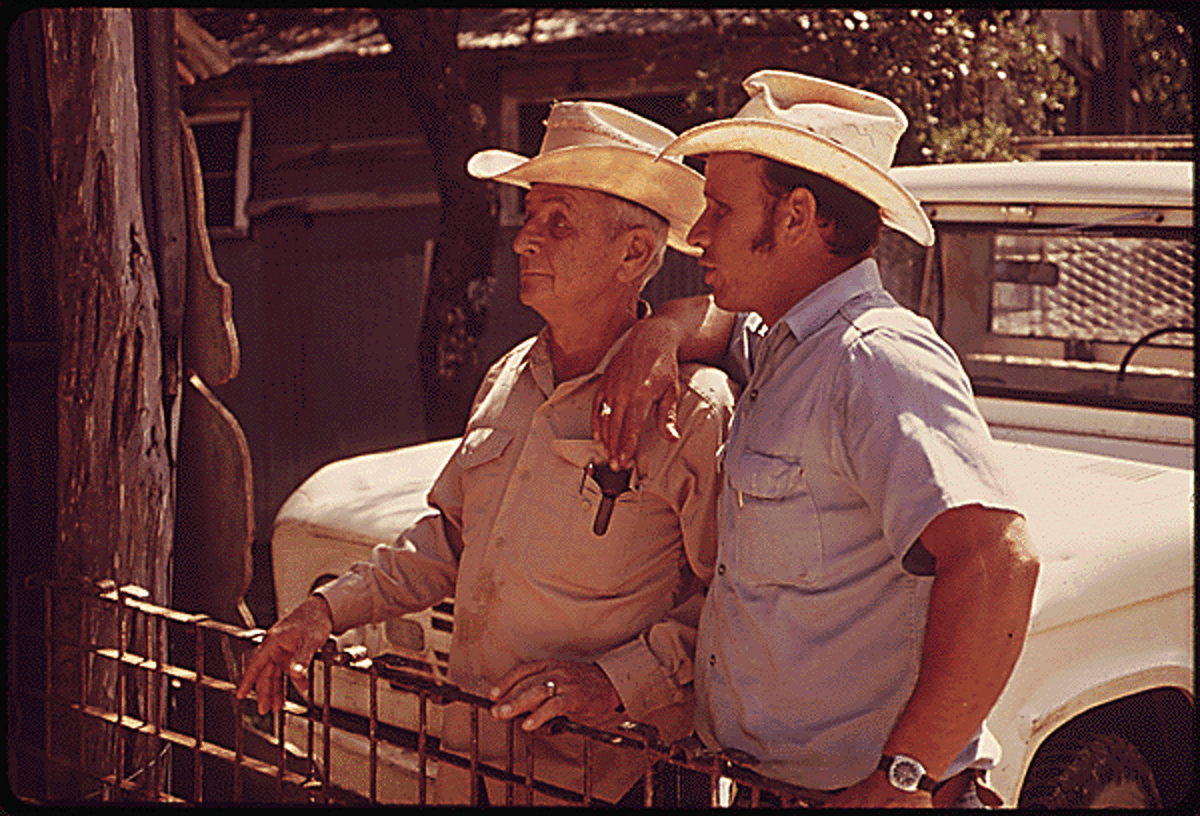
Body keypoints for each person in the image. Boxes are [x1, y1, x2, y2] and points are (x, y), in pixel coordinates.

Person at [235, 100, 736, 805]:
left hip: (614, 779)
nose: (524, 240)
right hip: (473, 763)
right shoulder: (510, 377)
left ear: (635, 254)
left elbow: (732, 603)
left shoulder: (693, 408)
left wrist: (616, 684)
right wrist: (325, 609)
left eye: (557, 222)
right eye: (530, 216)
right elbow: (449, 536)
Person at [589, 70, 1041, 808]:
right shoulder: (785, 340)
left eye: (722, 209)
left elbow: (998, 562)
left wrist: (905, 776)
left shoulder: (876, 358)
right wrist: (659, 330)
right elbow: (723, 323)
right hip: (781, 786)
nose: (697, 233)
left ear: (798, 216)